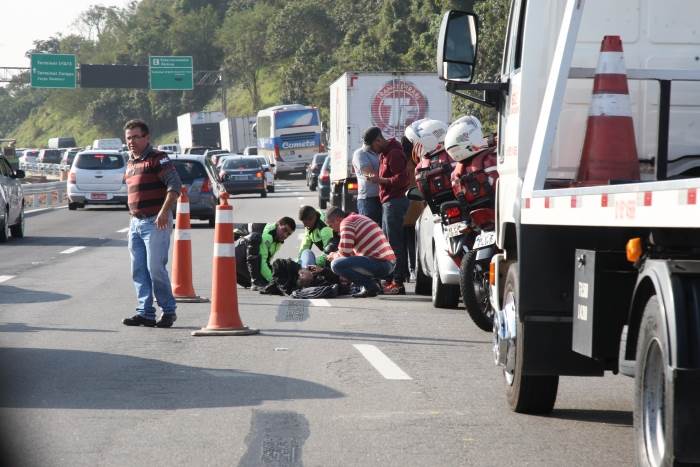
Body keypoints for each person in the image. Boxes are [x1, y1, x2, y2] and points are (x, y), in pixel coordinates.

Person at [121, 119, 182, 328]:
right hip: (135, 223)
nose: (131, 141)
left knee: (155, 268)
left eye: (136, 137)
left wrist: (164, 212)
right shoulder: (131, 162)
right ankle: (145, 313)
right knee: (138, 270)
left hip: (156, 222)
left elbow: (174, 185)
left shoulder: (158, 158)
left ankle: (168, 311)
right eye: (128, 138)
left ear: (146, 137)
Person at [364, 127, 409, 295]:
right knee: (388, 244)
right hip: (388, 202)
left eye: (373, 147)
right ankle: (390, 279)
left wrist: (379, 180)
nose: (373, 151)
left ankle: (398, 282)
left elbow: (402, 179)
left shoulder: (394, 153)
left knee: (394, 243)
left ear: (378, 140)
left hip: (395, 201)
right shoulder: (384, 154)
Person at [325, 207, 396, 298]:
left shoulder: (346, 223)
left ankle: (371, 286)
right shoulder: (355, 218)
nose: (333, 230)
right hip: (387, 263)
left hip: (381, 264)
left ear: (338, 220)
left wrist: (334, 255)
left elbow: (345, 252)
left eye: (331, 225)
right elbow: (350, 253)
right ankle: (368, 287)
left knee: (336, 264)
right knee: (343, 262)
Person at [234, 217, 296, 290]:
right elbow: (262, 262)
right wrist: (274, 280)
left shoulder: (277, 241)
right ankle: (256, 282)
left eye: (288, 234)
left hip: (238, 272)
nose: (285, 235)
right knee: (255, 237)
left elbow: (266, 261)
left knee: (269, 278)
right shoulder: (267, 235)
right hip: (235, 258)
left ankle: (255, 280)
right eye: (284, 230)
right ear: (278, 224)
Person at [351, 142, 381, 225]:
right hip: (368, 199)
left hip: (382, 197)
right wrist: (389, 179)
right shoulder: (360, 153)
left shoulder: (379, 153)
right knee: (368, 229)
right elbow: (370, 174)